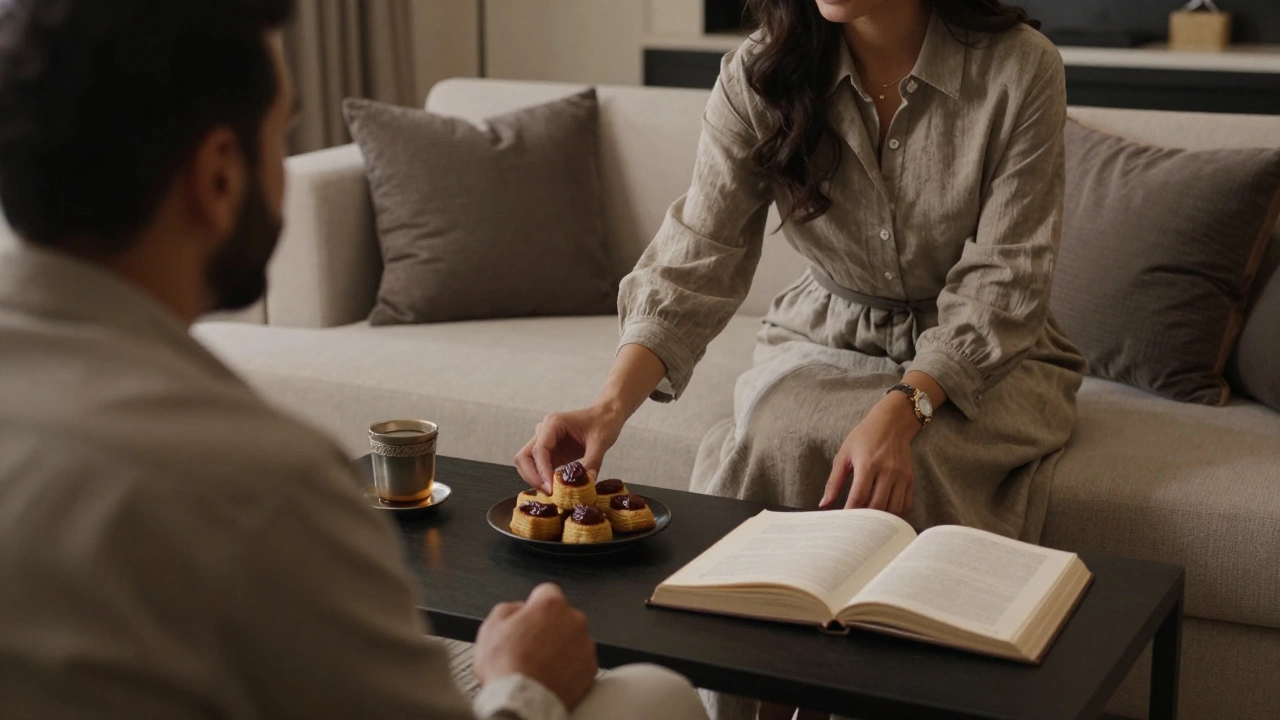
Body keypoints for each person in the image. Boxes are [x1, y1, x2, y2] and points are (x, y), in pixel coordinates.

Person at [0, 2, 708, 719]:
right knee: (656, 695)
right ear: (218, 178)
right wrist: (522, 683)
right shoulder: (262, 486)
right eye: (282, 135)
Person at [517, 0, 1086, 717]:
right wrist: (608, 405)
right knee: (776, 436)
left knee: (922, 460)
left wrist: (905, 408)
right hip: (826, 334)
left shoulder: (1021, 67)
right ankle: (743, 699)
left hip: (986, 350)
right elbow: (700, 253)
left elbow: (1008, 276)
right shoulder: (759, 73)